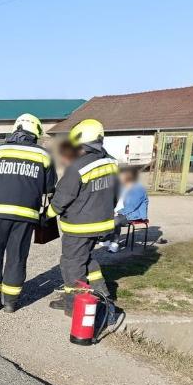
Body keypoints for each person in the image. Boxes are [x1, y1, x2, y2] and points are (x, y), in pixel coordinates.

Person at [0, 114, 56, 312]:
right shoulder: (44, 155)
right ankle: (11, 302)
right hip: (26, 216)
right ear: (35, 133)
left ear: (15, 129)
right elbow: (49, 186)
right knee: (17, 257)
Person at [47, 119, 120, 312]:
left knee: (71, 264)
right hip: (101, 224)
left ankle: (73, 305)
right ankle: (102, 294)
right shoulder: (111, 162)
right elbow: (115, 194)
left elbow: (63, 197)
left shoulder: (78, 167)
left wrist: (48, 214)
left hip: (79, 226)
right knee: (86, 258)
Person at [102, 167, 149, 252]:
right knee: (104, 216)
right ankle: (107, 238)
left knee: (115, 221)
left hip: (133, 214)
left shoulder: (138, 188)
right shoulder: (122, 187)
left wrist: (117, 212)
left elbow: (132, 206)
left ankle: (114, 243)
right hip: (121, 213)